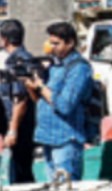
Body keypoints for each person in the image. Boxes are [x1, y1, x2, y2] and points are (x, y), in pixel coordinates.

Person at [25, 22, 94, 182]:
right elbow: (42, 101)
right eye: (51, 42)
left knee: (67, 188)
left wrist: (41, 86)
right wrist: (31, 87)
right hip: (48, 137)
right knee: (54, 188)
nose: (52, 47)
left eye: (57, 43)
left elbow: (65, 105)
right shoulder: (54, 67)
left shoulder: (78, 68)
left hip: (66, 138)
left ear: (70, 43)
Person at [0, 19, 38, 184]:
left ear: (4, 39)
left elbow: (20, 99)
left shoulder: (16, 61)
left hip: (20, 125)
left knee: (20, 173)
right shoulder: (27, 57)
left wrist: (12, 130)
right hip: (23, 123)